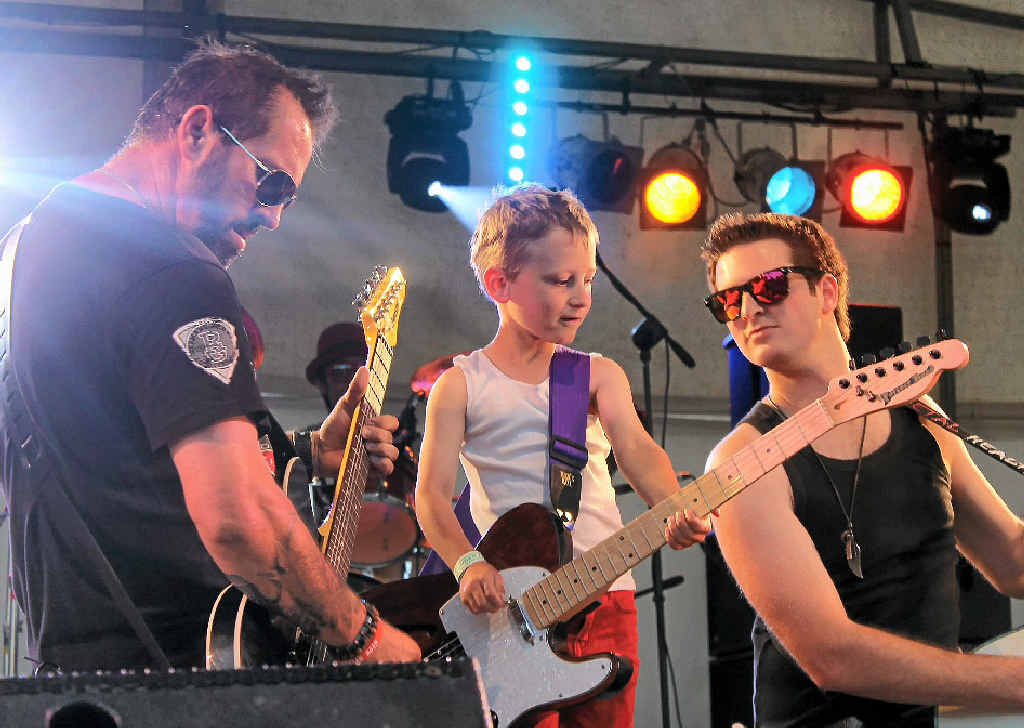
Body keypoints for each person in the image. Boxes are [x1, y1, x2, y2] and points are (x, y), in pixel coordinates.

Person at [0, 40, 419, 672]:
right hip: (187, 672)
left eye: (288, 198)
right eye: (271, 181)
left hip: (75, 671)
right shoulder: (171, 267)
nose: (274, 216)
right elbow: (240, 526)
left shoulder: (28, 247)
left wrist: (301, 453)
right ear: (198, 130)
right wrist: (365, 637)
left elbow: (103, 451)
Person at [699, 212, 1024, 726]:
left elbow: (1011, 559)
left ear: (827, 292)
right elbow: (834, 657)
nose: (748, 309)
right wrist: (1014, 683)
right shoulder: (742, 463)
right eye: (729, 300)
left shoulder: (921, 417)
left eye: (768, 285)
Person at [415, 184, 713, 727]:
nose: (581, 297)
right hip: (514, 611)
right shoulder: (460, 385)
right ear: (499, 283)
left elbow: (638, 450)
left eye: (588, 280)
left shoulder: (598, 374)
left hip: (608, 597)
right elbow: (431, 496)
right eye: (560, 281)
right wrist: (468, 562)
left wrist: (673, 505)